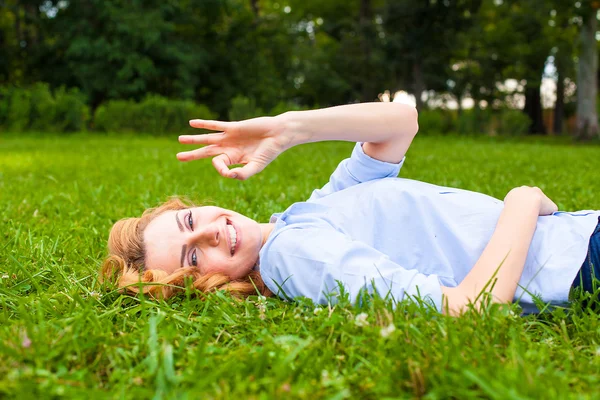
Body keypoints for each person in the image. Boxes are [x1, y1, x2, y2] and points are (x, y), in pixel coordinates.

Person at [101, 102, 600, 315]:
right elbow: (467, 308)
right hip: (580, 264)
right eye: (192, 258)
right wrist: (523, 201)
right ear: (203, 285)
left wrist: (290, 128)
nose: (207, 234)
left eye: (190, 221)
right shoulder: (296, 258)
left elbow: (399, 123)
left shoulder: (300, 220)